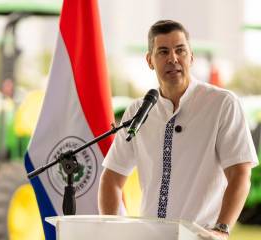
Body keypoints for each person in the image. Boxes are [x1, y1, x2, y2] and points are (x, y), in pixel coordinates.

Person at [98, 20, 259, 240]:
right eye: (163, 51)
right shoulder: (137, 111)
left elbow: (240, 173)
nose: (173, 58)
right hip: (149, 236)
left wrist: (221, 229)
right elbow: (112, 178)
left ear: (191, 56)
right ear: (150, 61)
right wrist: (113, 229)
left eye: (180, 50)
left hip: (199, 236)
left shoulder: (222, 104)